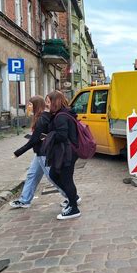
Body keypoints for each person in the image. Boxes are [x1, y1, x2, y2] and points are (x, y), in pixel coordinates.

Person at [10, 95, 67, 208]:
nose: (28, 106)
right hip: (39, 153)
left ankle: (71, 197)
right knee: (32, 175)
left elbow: (34, 140)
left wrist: (18, 152)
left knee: (52, 177)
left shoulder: (42, 118)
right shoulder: (39, 117)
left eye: (30, 104)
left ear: (36, 105)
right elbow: (38, 137)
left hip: (44, 153)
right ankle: (25, 200)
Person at [46, 90, 81, 220]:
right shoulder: (63, 114)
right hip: (67, 151)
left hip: (67, 152)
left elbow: (62, 135)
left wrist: (48, 137)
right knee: (54, 175)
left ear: (55, 102)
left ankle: (74, 208)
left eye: (48, 101)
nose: (46, 104)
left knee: (66, 179)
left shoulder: (61, 117)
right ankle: (72, 200)